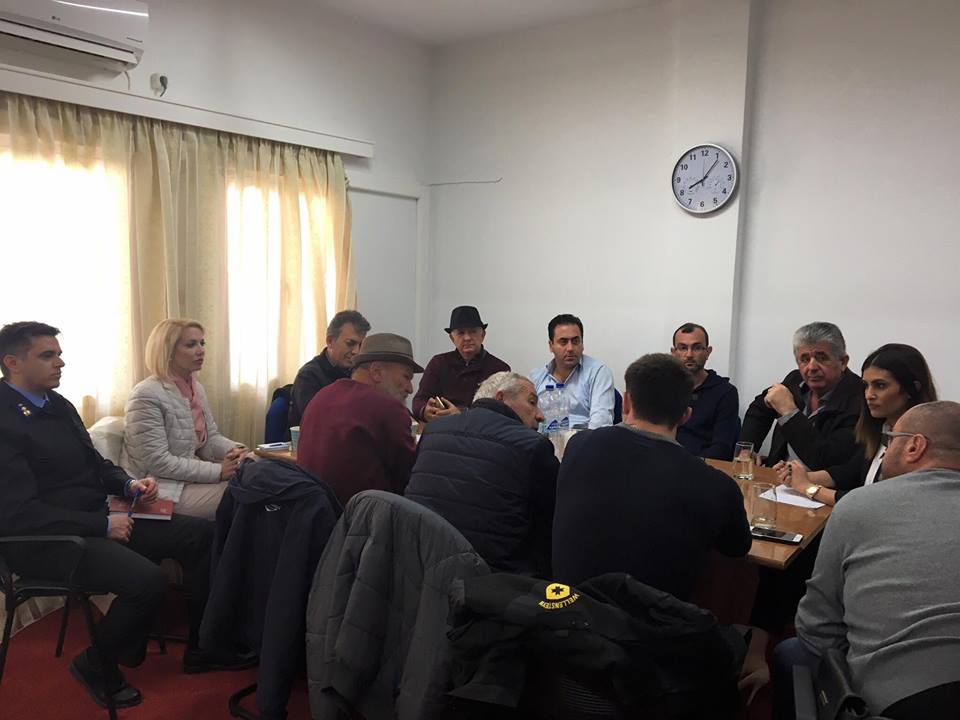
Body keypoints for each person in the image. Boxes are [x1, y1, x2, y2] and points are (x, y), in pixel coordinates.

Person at [0, 322, 247, 710]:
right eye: (47, 355)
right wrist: (100, 525)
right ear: (12, 362)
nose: (60, 362)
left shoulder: (56, 404)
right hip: (42, 540)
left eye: (59, 354)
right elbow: (19, 512)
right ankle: (96, 664)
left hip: (92, 518)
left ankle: (204, 646)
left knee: (199, 536)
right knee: (146, 581)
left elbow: (96, 464)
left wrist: (129, 484)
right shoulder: (5, 420)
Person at [781, 401, 960, 719]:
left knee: (790, 652)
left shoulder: (860, 504)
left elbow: (817, 628)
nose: (885, 449)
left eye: (891, 440)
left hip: (900, 700)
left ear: (914, 446)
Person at [552, 353, 751, 600]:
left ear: (625, 403)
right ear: (686, 415)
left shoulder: (578, 446)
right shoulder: (716, 486)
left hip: (565, 611)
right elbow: (738, 548)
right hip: (655, 621)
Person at [405, 371, 558, 576]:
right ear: (500, 397)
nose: (540, 415)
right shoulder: (531, 445)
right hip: (494, 578)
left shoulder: (434, 430)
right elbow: (552, 524)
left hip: (419, 567)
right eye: (532, 402)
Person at [775, 343, 937, 506]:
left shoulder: (919, 445)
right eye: (866, 386)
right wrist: (800, 476)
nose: (869, 395)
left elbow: (873, 502)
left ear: (912, 389)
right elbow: (849, 472)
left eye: (880, 386)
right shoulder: (882, 428)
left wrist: (807, 488)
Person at [120, 319, 245, 520]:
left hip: (186, 481)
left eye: (202, 343)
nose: (201, 350)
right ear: (168, 351)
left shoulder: (196, 388)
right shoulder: (146, 394)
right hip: (158, 488)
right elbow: (158, 462)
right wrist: (218, 471)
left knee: (258, 466)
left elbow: (209, 439)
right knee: (248, 492)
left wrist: (236, 451)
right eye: (191, 344)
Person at [297, 333, 422, 505]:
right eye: (406, 377)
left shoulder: (322, 396)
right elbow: (411, 478)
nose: (410, 388)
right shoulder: (388, 408)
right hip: (360, 517)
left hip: (309, 511)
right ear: (376, 371)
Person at [739, 321, 862, 469]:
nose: (812, 367)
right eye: (804, 359)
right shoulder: (795, 380)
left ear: (843, 362)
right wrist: (747, 449)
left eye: (822, 358)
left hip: (819, 482)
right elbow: (760, 408)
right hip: (777, 476)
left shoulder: (860, 399)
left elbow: (825, 460)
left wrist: (789, 413)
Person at [412, 306, 510, 422]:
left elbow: (504, 411)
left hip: (481, 429)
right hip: (442, 427)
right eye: (461, 333)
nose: (467, 338)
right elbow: (419, 399)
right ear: (452, 338)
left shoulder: (499, 369)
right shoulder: (438, 363)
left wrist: (462, 414)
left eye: (473, 331)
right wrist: (425, 411)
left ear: (483, 335)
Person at [529, 313, 615, 429]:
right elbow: (525, 419)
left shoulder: (598, 372)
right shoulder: (536, 377)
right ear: (551, 345)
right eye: (563, 342)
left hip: (584, 438)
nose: (570, 348)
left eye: (575, 341)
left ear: (582, 344)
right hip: (543, 437)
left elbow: (601, 422)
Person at [288, 310, 370, 428]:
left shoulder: (358, 373)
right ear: (330, 341)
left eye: (361, 345)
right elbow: (317, 421)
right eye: (350, 343)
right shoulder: (309, 376)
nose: (356, 351)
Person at [670, 322, 740, 459]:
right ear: (673, 352)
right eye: (683, 348)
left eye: (697, 348)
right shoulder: (662, 387)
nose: (689, 354)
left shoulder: (725, 392)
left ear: (708, 352)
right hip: (664, 461)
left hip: (704, 465)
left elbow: (721, 448)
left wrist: (690, 465)